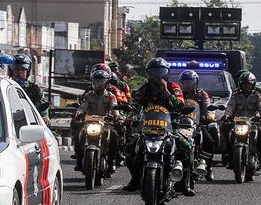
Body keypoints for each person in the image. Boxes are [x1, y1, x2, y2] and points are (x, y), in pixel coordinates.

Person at [123, 57, 185, 191]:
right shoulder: (144, 90)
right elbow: (135, 107)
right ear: (148, 74)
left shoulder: (174, 87)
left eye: (160, 72)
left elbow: (180, 106)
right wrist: (131, 117)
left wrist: (167, 93)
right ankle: (135, 179)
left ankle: (183, 183)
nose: (157, 76)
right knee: (131, 147)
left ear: (166, 73)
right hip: (147, 127)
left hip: (170, 127)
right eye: (154, 73)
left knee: (185, 146)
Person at [73, 69, 120, 172]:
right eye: (96, 82)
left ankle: (112, 162)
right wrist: (79, 112)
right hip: (89, 122)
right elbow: (83, 107)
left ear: (107, 83)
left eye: (101, 82)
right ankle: (79, 161)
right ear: (92, 82)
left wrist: (116, 115)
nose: (99, 84)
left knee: (114, 135)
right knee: (77, 136)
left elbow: (114, 108)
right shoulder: (88, 95)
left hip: (106, 123)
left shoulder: (111, 96)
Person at [223, 72, 261, 170]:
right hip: (237, 121)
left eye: (248, 84)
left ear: (252, 84)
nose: (246, 86)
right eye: (244, 84)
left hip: (253, 121)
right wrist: (227, 115)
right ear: (240, 84)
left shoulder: (258, 96)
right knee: (228, 133)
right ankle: (230, 158)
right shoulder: (235, 95)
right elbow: (230, 106)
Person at [179, 69, 216, 181]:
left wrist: (208, 116)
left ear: (195, 82)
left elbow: (207, 106)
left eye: (190, 82)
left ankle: (208, 167)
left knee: (209, 140)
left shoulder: (202, 94)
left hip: (197, 123)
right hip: (180, 124)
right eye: (185, 82)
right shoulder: (178, 93)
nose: (187, 84)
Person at [8, 54, 48, 120]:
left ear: (28, 71)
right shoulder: (5, 87)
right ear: (11, 71)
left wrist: (44, 117)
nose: (20, 72)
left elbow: (43, 114)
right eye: (16, 69)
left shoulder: (35, 90)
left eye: (23, 69)